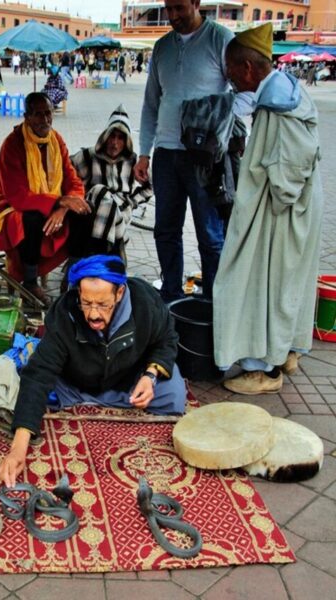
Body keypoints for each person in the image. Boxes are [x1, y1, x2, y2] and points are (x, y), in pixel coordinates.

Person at [0, 255, 186, 486]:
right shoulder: (64, 313)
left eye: (102, 304)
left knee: (174, 394)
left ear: (119, 293)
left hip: (129, 379)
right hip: (77, 384)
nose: (94, 314)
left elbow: (167, 339)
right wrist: (18, 448)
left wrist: (150, 376)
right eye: (86, 303)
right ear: (78, 294)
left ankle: (110, 397)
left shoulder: (146, 301)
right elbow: (40, 373)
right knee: (31, 388)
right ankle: (98, 400)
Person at [213, 24, 323, 395]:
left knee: (264, 285)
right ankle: (287, 348)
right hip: (289, 211)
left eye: (230, 69)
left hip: (281, 215)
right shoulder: (279, 95)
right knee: (285, 284)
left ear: (247, 68)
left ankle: (265, 368)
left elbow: (289, 174)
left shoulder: (280, 105)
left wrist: (264, 189)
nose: (227, 77)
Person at [134, 0, 233, 303]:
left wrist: (219, 131)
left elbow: (242, 93)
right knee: (165, 230)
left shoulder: (221, 39)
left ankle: (213, 303)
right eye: (168, 9)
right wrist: (144, 152)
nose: (173, 16)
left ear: (196, 3)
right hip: (166, 153)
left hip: (205, 158)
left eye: (179, 8)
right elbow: (152, 102)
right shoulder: (163, 47)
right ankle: (172, 296)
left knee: (210, 236)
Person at [0, 92, 91, 304]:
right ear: (26, 117)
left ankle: (74, 279)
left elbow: (73, 183)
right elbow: (18, 197)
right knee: (31, 218)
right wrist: (59, 202)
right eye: (38, 115)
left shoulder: (56, 139)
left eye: (48, 113)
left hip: (52, 204)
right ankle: (30, 281)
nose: (45, 120)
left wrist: (64, 207)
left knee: (85, 211)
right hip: (10, 207)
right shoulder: (12, 144)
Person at [71, 105, 152, 256]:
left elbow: (151, 186)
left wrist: (132, 202)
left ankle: (92, 256)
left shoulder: (133, 160)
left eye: (120, 138)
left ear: (127, 140)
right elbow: (67, 173)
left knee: (110, 205)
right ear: (105, 136)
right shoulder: (88, 156)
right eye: (112, 136)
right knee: (101, 191)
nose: (115, 143)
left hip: (121, 211)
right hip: (91, 207)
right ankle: (113, 253)